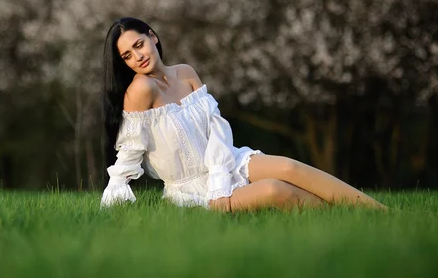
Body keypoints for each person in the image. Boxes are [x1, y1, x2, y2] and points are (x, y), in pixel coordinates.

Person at [101, 17, 386, 212]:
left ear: (153, 37)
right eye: (127, 55)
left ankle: (380, 214)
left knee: (288, 167)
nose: (137, 56)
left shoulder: (185, 73)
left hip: (226, 161)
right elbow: (130, 151)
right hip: (193, 188)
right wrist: (114, 197)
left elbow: (217, 128)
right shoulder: (140, 90)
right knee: (275, 189)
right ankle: (347, 219)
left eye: (138, 45)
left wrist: (221, 175)